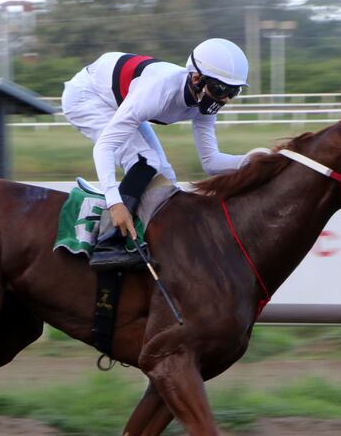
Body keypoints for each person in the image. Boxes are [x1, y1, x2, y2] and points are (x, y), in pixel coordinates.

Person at [62, 38, 249, 270]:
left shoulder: (204, 102)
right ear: (196, 78)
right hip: (87, 96)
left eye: (234, 91)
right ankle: (109, 241)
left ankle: (154, 237)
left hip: (121, 98)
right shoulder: (158, 91)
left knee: (165, 174)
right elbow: (104, 147)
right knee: (145, 160)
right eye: (221, 89)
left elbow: (211, 162)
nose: (225, 99)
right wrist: (115, 203)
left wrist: (255, 159)